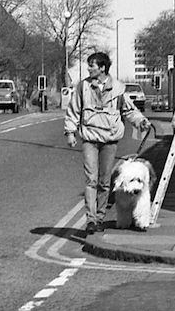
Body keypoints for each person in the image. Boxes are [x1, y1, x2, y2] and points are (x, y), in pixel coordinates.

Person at [64, 51, 152, 234]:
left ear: (102, 68)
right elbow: (73, 110)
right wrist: (70, 132)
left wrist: (140, 121)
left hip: (109, 140)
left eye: (92, 65)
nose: (89, 68)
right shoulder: (83, 87)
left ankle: (99, 218)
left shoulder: (118, 88)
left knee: (105, 182)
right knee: (91, 180)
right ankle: (90, 219)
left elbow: (128, 110)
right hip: (89, 138)